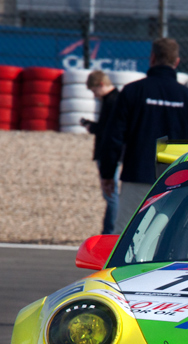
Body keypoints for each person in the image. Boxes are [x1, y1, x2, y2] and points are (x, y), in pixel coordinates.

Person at [99, 37, 188, 234]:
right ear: (176, 62)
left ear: (152, 58)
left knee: (125, 235)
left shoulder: (133, 91)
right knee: (168, 236)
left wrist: (107, 174)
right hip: (175, 177)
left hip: (138, 174)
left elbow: (113, 138)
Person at [80, 70, 121, 234]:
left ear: (101, 85)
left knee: (111, 195)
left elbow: (107, 131)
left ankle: (110, 232)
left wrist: (92, 127)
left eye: (94, 90)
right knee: (111, 195)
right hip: (109, 151)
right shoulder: (111, 100)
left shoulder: (112, 101)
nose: (94, 95)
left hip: (108, 152)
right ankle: (111, 230)